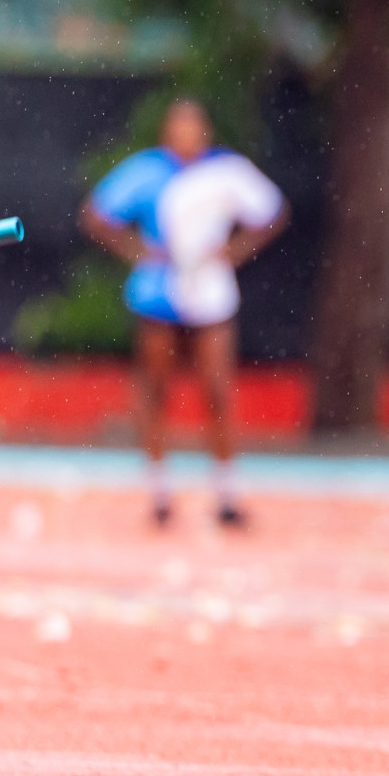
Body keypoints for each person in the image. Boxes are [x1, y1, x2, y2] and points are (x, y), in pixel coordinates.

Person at [80, 98, 289, 527]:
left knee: (217, 390)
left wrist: (234, 252)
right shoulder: (147, 171)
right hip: (159, 292)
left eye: (194, 126)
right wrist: (136, 251)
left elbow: (271, 213)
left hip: (210, 294)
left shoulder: (225, 172)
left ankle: (226, 493)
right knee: (155, 390)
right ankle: (159, 492)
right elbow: (97, 216)